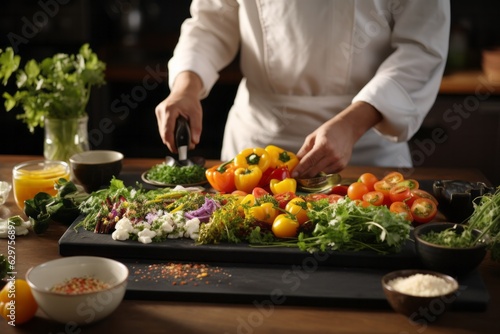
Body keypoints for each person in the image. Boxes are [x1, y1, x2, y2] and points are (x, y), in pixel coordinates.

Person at [155, 0, 450, 178]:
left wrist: (351, 125)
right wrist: (186, 87)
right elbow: (212, 22)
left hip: (366, 148)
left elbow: (421, 49)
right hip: (257, 143)